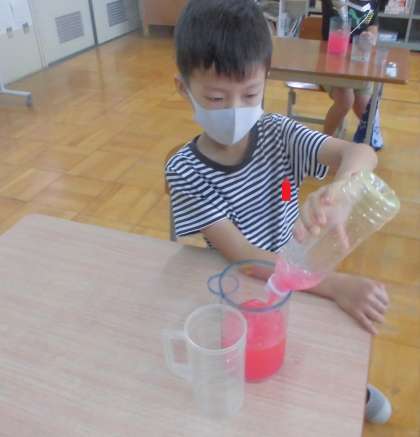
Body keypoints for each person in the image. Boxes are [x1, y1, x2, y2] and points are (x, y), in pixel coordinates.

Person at [166, 0, 391, 424]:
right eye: (216, 97)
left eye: (250, 94)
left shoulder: (276, 133)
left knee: (312, 348)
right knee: (254, 381)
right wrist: (336, 285)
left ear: (265, 80)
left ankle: (347, 389)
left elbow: (361, 153)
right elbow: (245, 258)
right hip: (238, 287)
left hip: (296, 275)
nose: (235, 109)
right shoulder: (186, 171)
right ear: (184, 88)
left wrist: (342, 191)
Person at [321, 0, 382, 136]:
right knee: (345, 100)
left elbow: (373, 25)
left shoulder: (372, 2)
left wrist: (370, 36)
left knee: (366, 109)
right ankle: (324, 140)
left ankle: (369, 139)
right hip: (332, 61)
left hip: (359, 63)